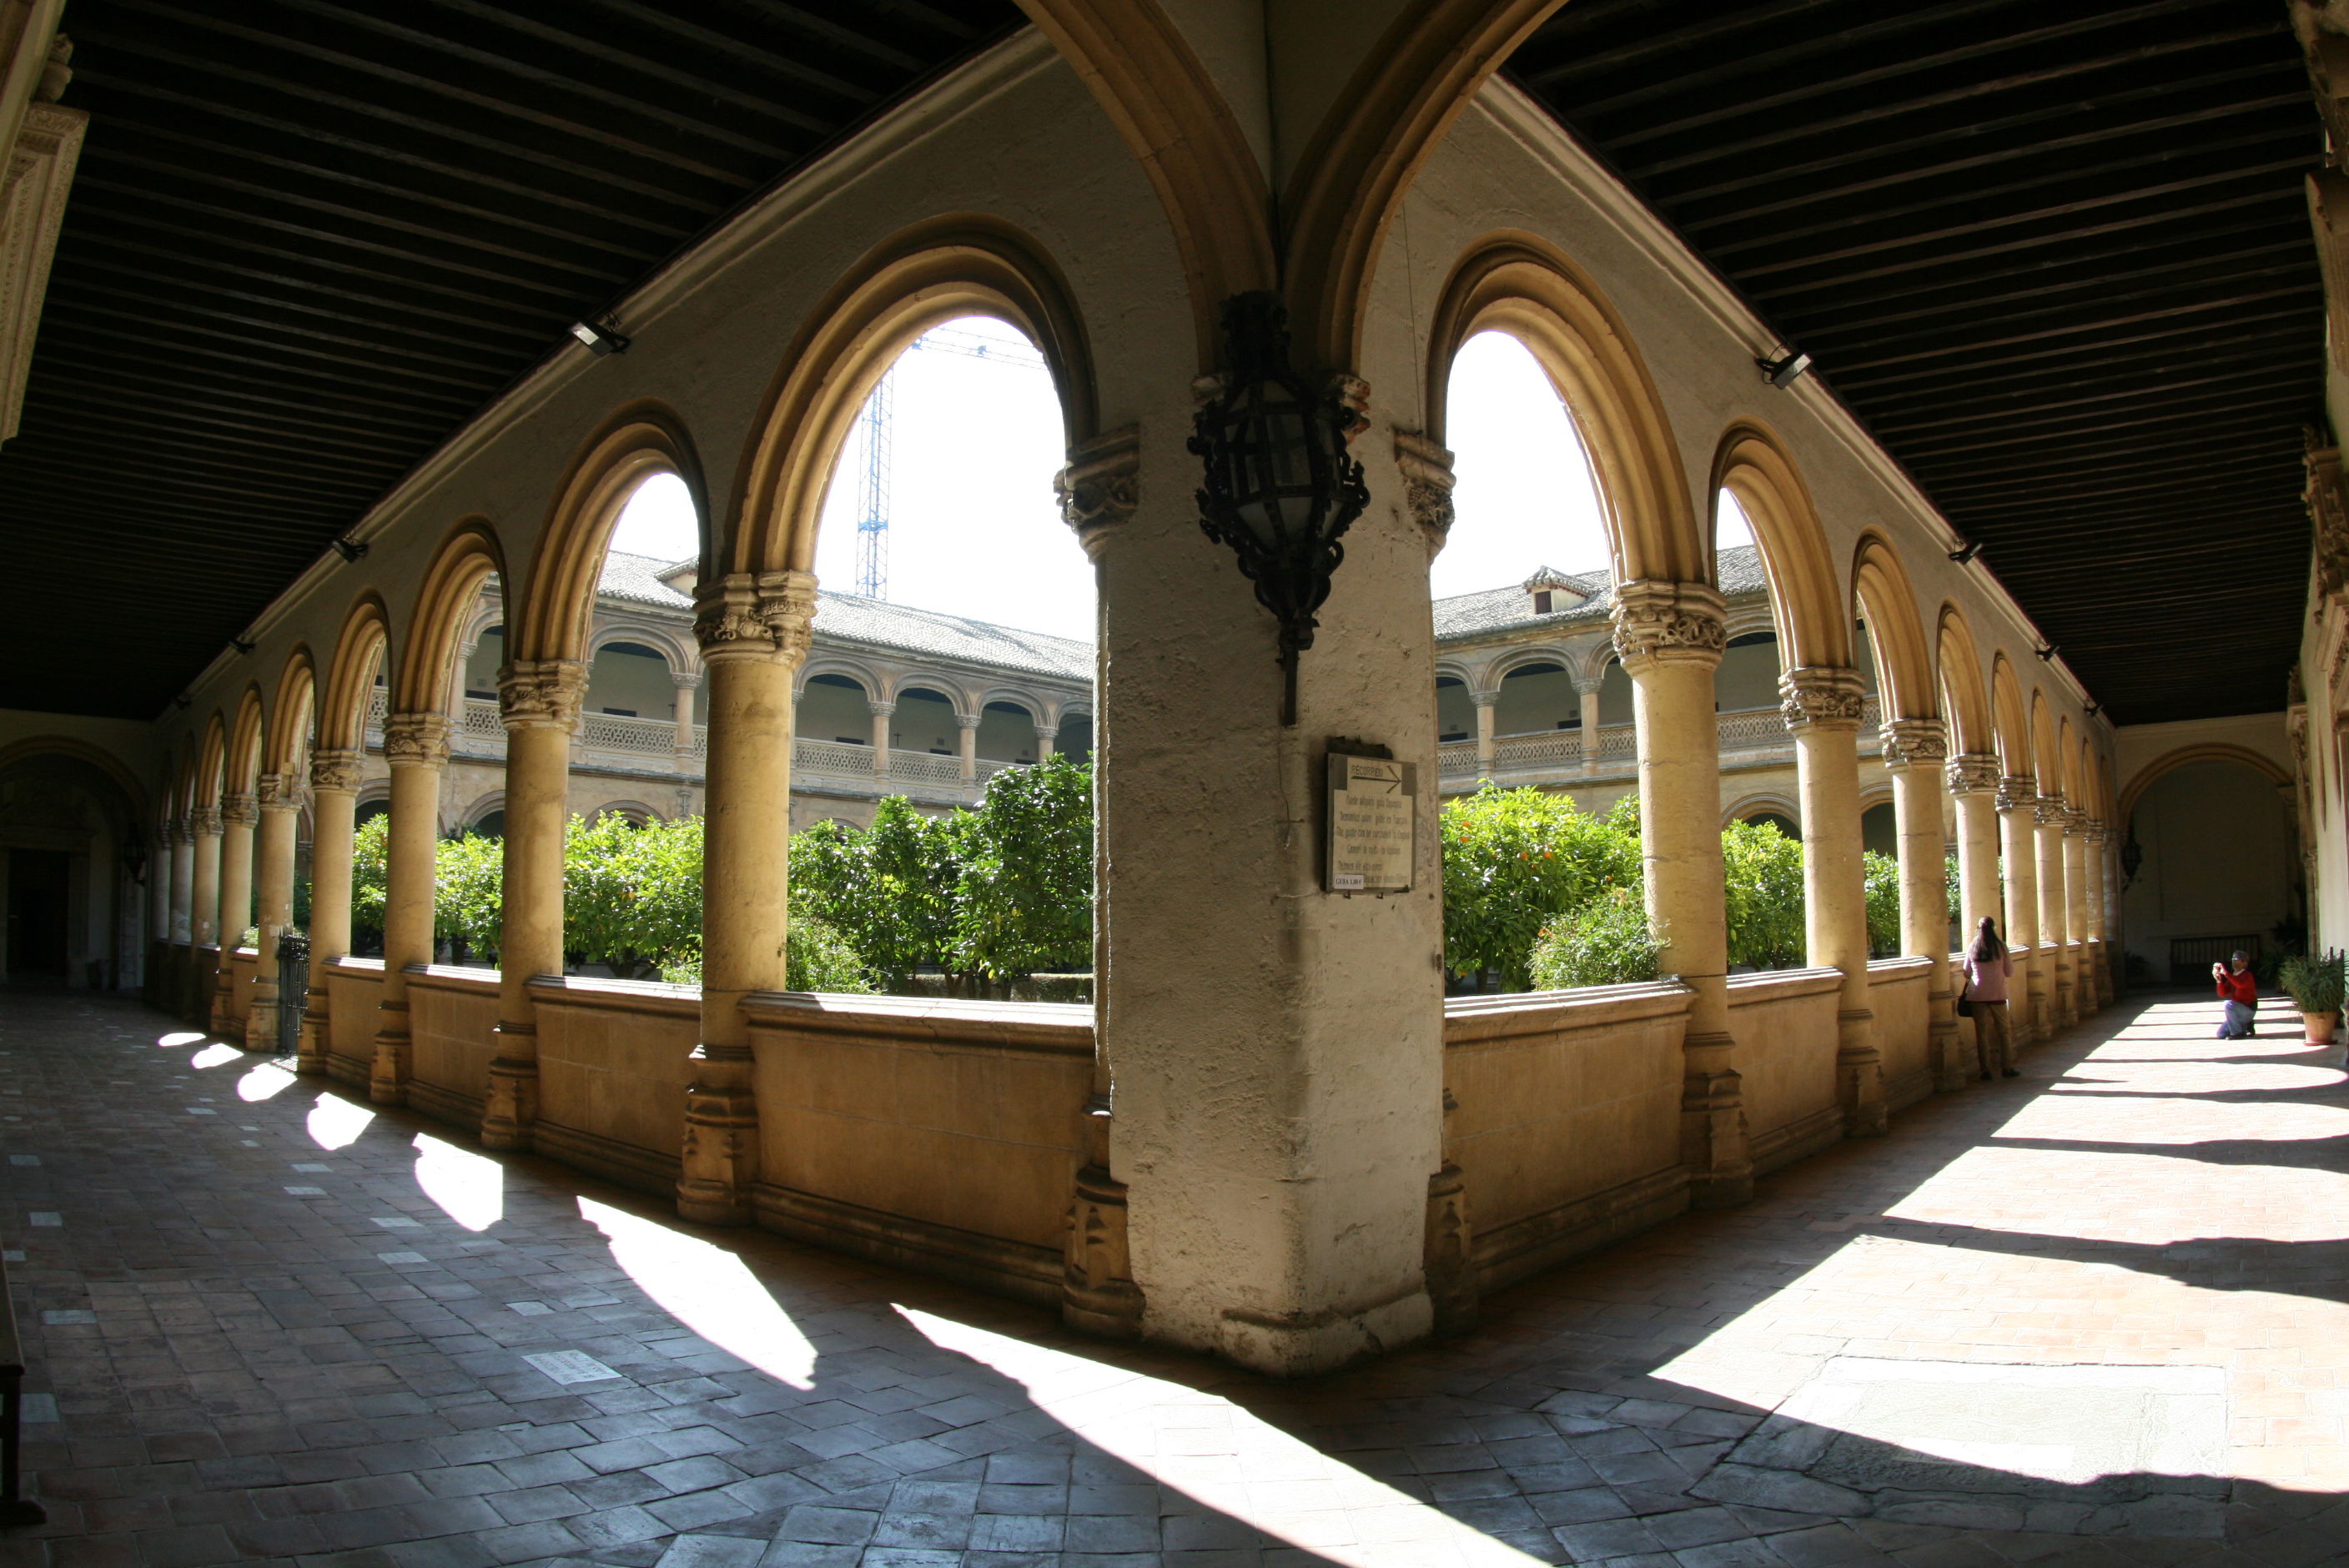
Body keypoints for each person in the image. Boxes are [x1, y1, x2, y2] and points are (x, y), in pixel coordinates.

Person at [1961, 915, 2019, 1079]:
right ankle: (2007, 1067)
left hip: (1977, 994)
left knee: (1981, 1033)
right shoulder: (2001, 947)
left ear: (1978, 929)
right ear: (1994, 928)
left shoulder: (1973, 947)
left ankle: (1985, 1070)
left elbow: (1966, 971)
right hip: (1997, 993)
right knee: (2004, 1031)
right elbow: (2009, 972)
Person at [2214, 950, 2258, 1038]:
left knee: (2227, 1004)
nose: (2234, 961)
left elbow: (2240, 984)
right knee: (2221, 1034)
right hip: (2237, 1011)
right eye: (2233, 958)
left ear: (2244, 963)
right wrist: (2219, 981)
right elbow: (2222, 993)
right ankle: (2246, 1026)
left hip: (2247, 1009)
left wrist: (2226, 973)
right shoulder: (2233, 976)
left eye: (2237, 959)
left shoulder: (2247, 975)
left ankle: (2237, 1033)